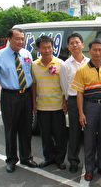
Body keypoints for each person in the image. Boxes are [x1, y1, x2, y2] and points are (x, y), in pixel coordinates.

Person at [0, 28, 38, 173]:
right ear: (9, 39)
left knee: (26, 128)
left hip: (26, 95)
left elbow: (31, 77)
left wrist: (33, 100)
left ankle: (26, 157)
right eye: (17, 38)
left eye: (22, 39)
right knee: (10, 129)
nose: (21, 41)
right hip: (10, 96)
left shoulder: (27, 53)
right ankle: (11, 159)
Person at [72, 38, 101, 181]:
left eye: (100, 49)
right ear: (89, 51)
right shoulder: (81, 70)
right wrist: (81, 113)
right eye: (94, 50)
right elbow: (79, 93)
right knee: (89, 140)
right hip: (89, 107)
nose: (97, 52)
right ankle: (89, 169)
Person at [32, 35, 67, 170]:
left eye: (49, 47)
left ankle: (59, 159)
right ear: (39, 49)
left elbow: (65, 85)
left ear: (53, 47)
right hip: (42, 107)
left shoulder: (60, 64)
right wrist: (34, 103)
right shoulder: (34, 65)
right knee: (45, 136)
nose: (47, 50)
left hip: (58, 106)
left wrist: (65, 102)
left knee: (60, 135)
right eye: (44, 48)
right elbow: (34, 85)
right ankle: (49, 158)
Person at [59, 33, 90, 173]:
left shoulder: (90, 62)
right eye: (71, 43)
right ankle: (73, 160)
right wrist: (66, 101)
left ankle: (91, 161)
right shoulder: (65, 65)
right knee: (74, 132)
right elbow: (65, 86)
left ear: (82, 44)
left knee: (90, 132)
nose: (75, 45)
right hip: (72, 100)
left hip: (89, 100)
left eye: (77, 42)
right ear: (68, 47)